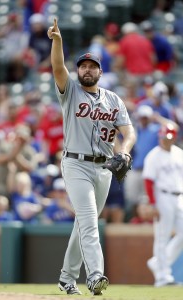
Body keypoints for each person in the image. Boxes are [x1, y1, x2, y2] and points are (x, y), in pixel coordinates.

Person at [47, 19, 136, 295]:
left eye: (92, 66)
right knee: (89, 222)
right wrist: (58, 41)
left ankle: (66, 278)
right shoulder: (70, 91)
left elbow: (128, 131)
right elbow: (57, 67)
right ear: (78, 71)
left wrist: (125, 150)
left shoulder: (113, 99)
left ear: (99, 70)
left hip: (105, 168)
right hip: (75, 164)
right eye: (83, 66)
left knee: (83, 224)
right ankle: (96, 275)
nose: (87, 69)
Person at [142, 123, 183, 287]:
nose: (163, 140)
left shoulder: (179, 153)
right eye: (162, 137)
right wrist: (152, 204)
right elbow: (148, 180)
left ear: (173, 138)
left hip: (179, 196)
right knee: (162, 236)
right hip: (162, 196)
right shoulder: (153, 155)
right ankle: (162, 277)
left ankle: (157, 262)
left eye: (167, 138)